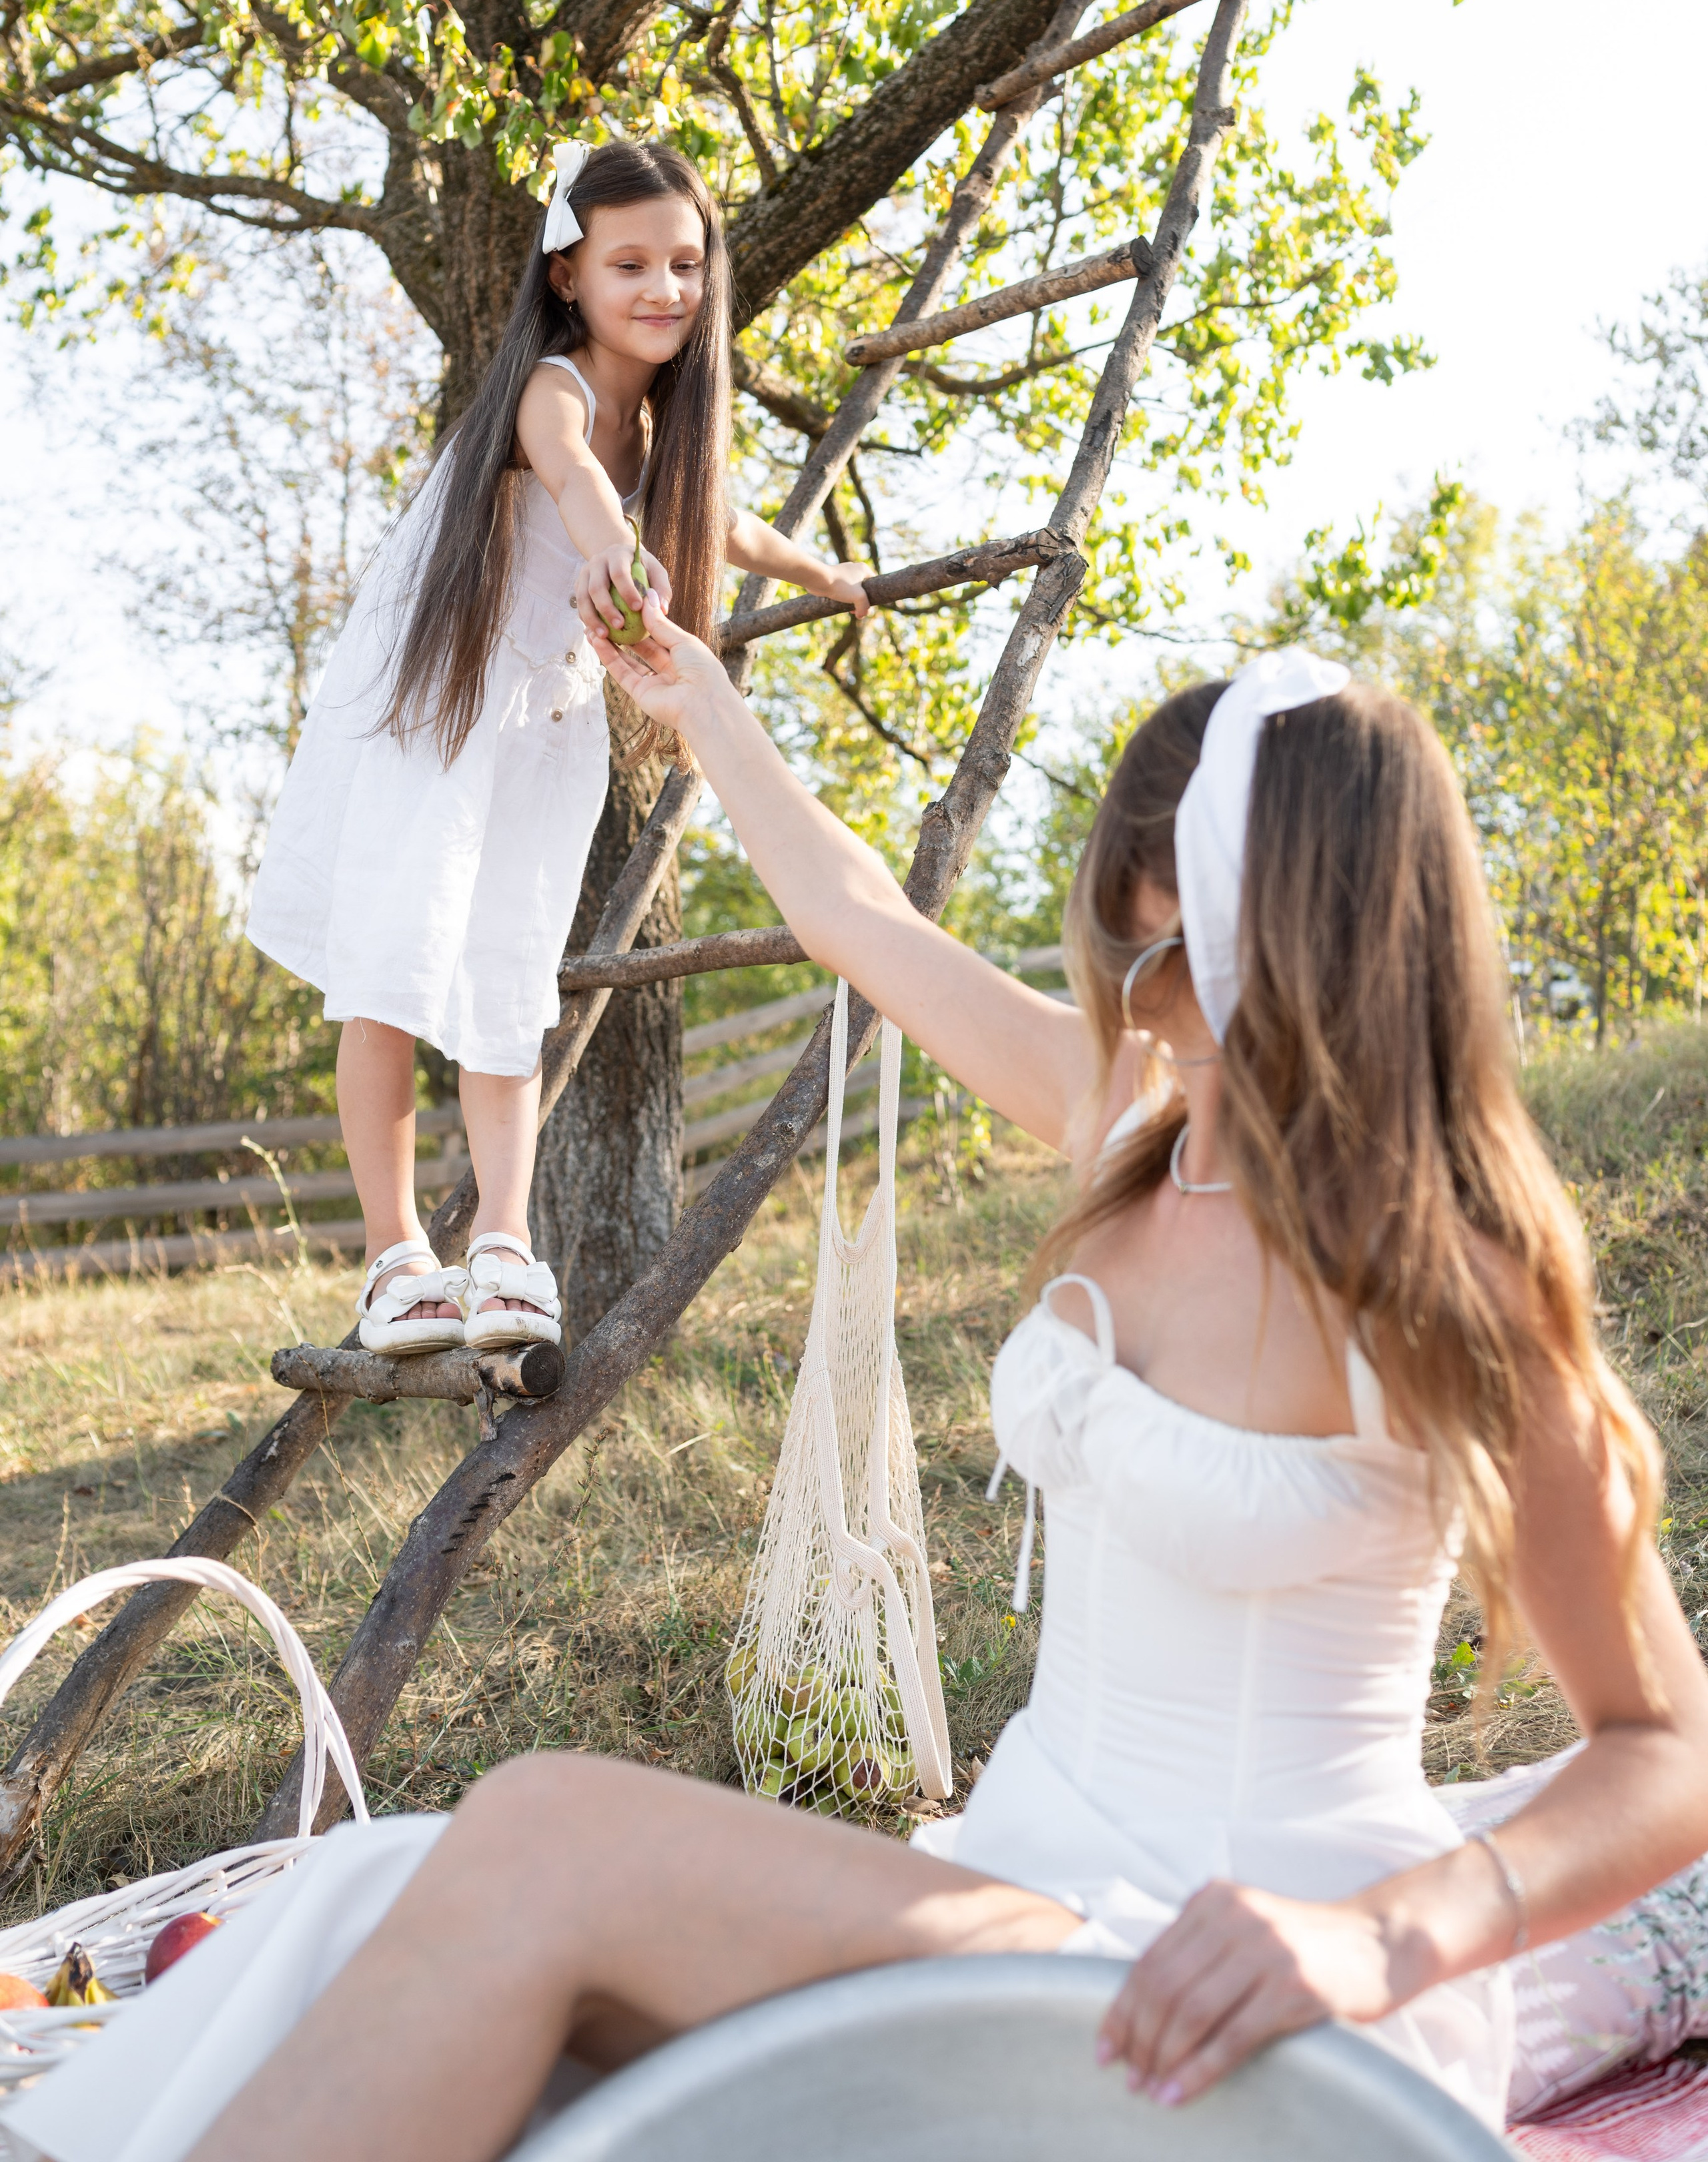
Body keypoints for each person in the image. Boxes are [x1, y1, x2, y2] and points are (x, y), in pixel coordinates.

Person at [16, 643, 1708, 2162]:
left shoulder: (1439, 1283)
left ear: (1312, 932)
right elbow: (858, 922)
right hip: (1020, 1887)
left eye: (1169, 955)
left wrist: (1387, 1935)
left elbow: (1667, 1749)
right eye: (1118, 952)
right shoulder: (1133, 1136)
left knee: (541, 1842)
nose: (1136, 1008)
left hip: (1251, 1976)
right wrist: (700, 707)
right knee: (403, 1890)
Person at [244, 138, 870, 1359]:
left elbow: (719, 521)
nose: (664, 289)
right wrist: (611, 551)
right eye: (630, 263)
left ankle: (503, 1243)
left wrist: (817, 568)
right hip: (441, 706)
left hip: (539, 729)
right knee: (390, 962)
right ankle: (391, 1257)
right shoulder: (555, 386)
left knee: (509, 973)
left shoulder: (666, 431)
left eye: (687, 264)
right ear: (569, 275)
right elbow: (578, 479)